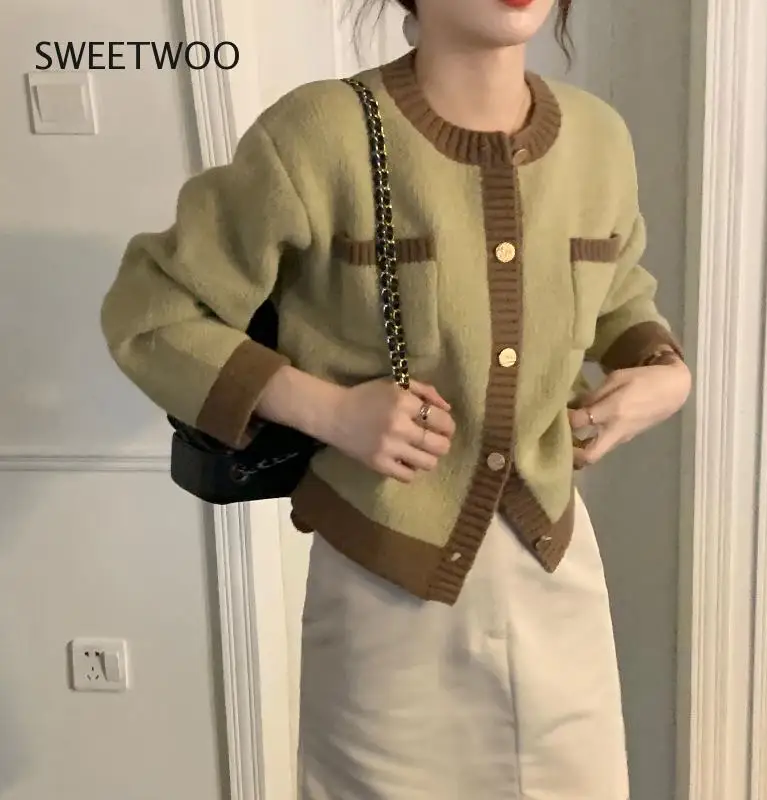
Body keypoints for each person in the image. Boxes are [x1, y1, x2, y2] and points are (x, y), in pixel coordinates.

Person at [100, 0, 692, 796]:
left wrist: (664, 370)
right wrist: (328, 410)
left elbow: (620, 293)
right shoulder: (320, 133)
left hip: (556, 573)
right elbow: (153, 310)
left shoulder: (599, 139)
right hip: (384, 584)